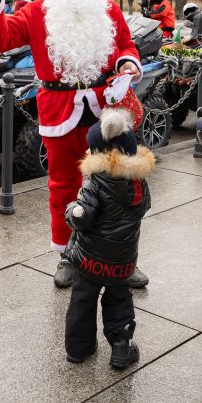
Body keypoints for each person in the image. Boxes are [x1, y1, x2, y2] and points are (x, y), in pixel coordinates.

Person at [0, 0, 146, 289]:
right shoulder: (37, 12)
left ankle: (119, 258)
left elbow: (126, 45)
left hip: (107, 108)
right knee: (63, 186)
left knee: (120, 187)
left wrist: (128, 65)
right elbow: (0, 39)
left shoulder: (108, 8)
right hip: (60, 109)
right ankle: (68, 253)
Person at [63, 108, 153, 369]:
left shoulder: (95, 183)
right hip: (122, 260)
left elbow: (82, 218)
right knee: (119, 301)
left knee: (82, 301)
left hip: (91, 259)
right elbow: (144, 206)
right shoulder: (138, 182)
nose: (88, 152)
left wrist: (71, 210)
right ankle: (121, 349)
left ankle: (78, 349)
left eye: (91, 149)